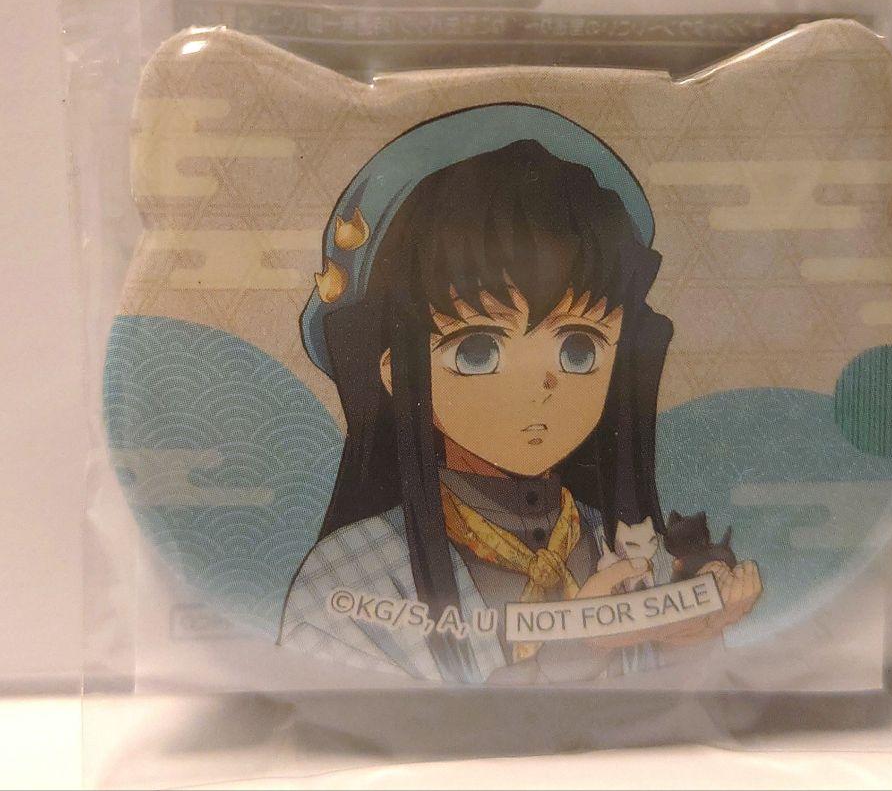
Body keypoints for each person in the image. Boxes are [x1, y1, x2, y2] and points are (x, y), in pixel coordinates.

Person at [279, 103, 761, 683]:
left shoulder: (638, 551)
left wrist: (693, 641)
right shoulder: (350, 574)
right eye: (477, 352)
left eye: (578, 349)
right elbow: (363, 719)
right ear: (393, 371)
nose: (540, 385)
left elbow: (687, 710)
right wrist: (578, 649)